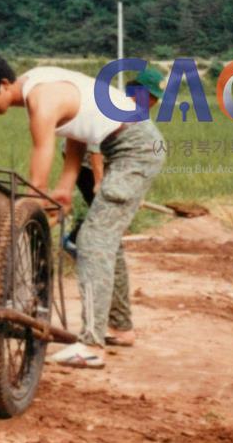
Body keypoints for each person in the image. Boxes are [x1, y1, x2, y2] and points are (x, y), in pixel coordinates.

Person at [0, 52, 165, 368]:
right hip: (128, 144)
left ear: (2, 84)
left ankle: (91, 345)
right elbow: (77, 132)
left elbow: (39, 170)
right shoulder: (40, 84)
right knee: (105, 239)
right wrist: (64, 188)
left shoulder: (41, 101)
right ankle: (119, 327)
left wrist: (29, 206)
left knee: (92, 242)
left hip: (135, 150)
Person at [64, 65, 165, 349]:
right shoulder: (120, 105)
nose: (154, 103)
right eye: (152, 97)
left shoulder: (134, 113)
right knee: (104, 243)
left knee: (105, 243)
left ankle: (118, 326)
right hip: (87, 169)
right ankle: (118, 325)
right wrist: (99, 182)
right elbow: (94, 147)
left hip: (110, 171)